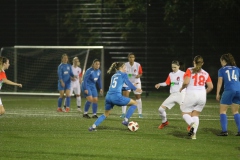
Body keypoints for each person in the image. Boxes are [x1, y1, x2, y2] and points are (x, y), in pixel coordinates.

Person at [88, 62, 142, 131]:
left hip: (108, 97)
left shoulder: (114, 76)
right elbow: (128, 83)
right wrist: (136, 88)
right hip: (116, 97)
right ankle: (125, 120)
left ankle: (93, 127)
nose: (126, 68)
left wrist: (130, 88)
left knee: (106, 114)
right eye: (124, 67)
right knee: (135, 103)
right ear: (120, 68)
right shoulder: (123, 74)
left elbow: (118, 88)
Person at [180, 55, 213, 139]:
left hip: (192, 94)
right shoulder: (206, 73)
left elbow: (186, 82)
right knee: (195, 115)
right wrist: (204, 92)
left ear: (194, 62)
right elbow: (211, 87)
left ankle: (192, 124)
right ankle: (193, 134)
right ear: (202, 63)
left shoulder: (189, 70)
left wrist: (182, 88)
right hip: (202, 96)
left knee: (185, 113)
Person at [155, 60, 185, 129]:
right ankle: (164, 122)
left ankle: (191, 125)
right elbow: (167, 83)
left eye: (175, 67)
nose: (173, 69)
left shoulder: (183, 74)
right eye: (172, 67)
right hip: (173, 95)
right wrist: (159, 84)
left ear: (179, 66)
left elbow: (188, 82)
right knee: (160, 109)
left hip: (181, 94)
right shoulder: (171, 74)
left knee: (185, 111)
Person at [216, 53, 240, 136]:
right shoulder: (237, 69)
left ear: (223, 60)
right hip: (238, 90)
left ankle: (224, 131)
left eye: (221, 61)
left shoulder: (222, 70)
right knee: (236, 111)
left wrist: (217, 94)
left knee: (223, 111)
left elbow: (219, 83)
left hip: (229, 90)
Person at [120, 53, 143, 118]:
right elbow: (122, 73)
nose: (131, 58)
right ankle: (123, 113)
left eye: (132, 57)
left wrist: (139, 75)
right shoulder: (125, 65)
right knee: (125, 96)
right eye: (130, 57)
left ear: (134, 58)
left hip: (136, 82)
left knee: (138, 96)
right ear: (128, 58)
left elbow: (141, 73)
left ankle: (140, 114)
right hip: (127, 82)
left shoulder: (138, 65)